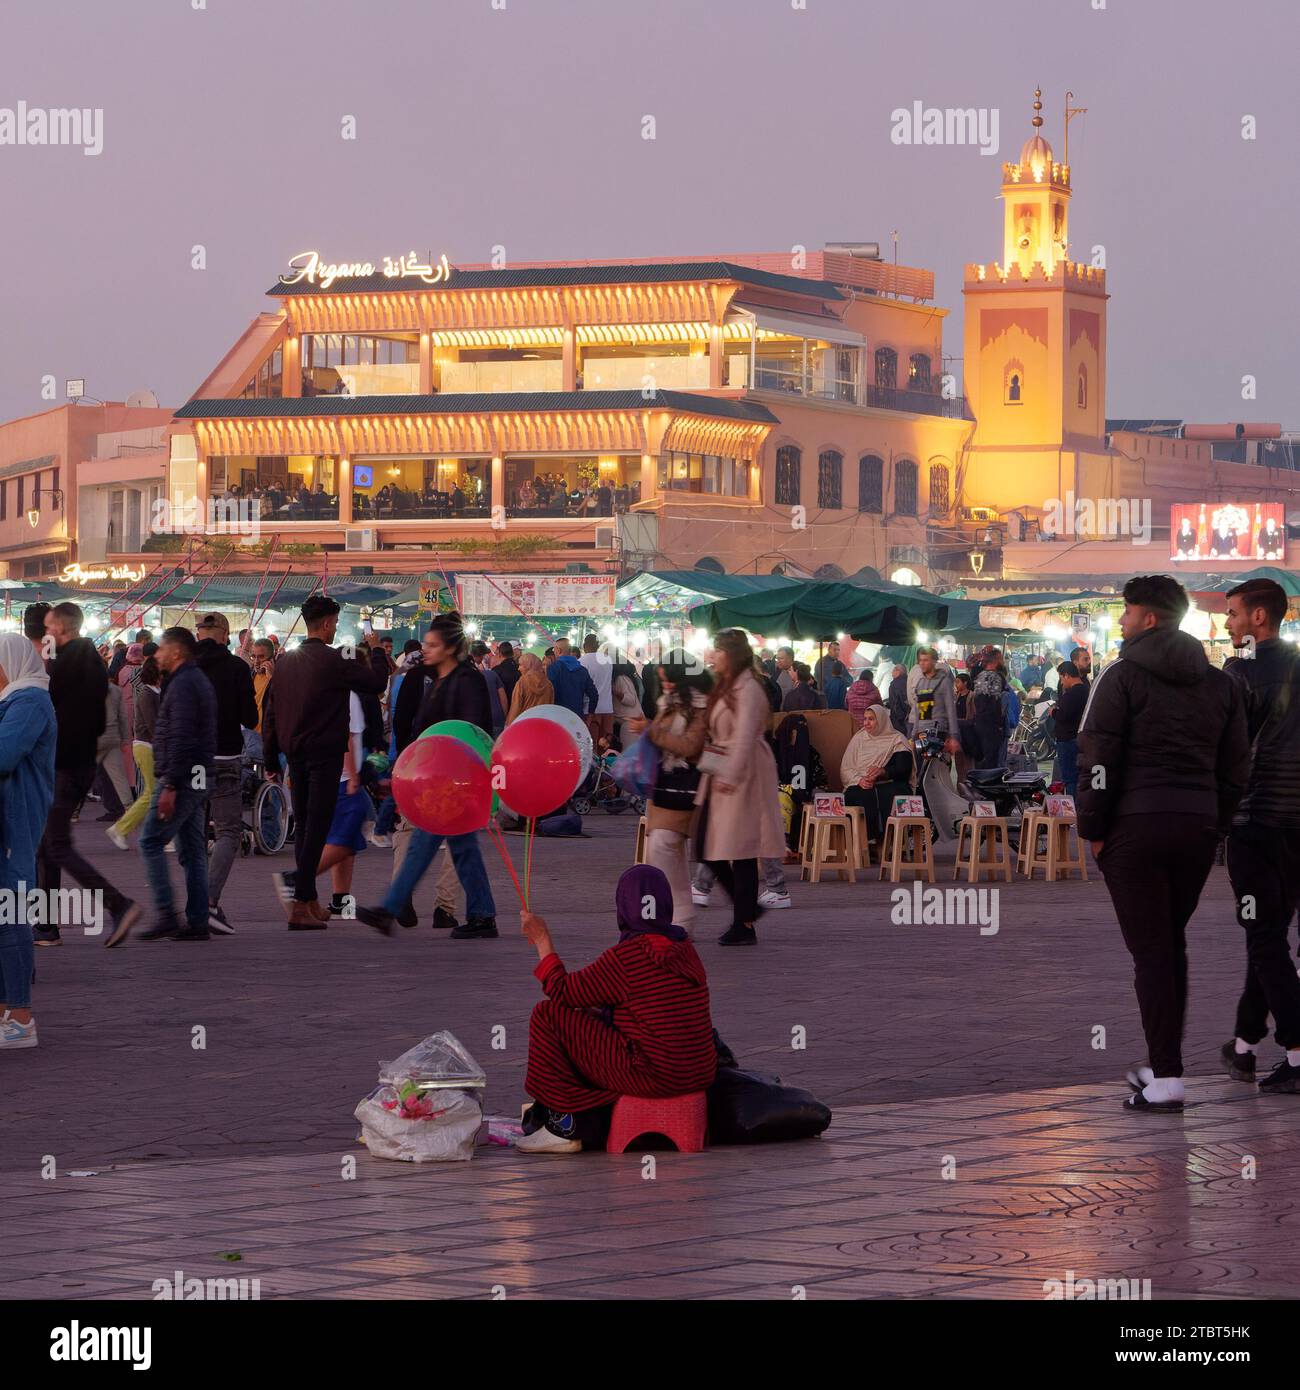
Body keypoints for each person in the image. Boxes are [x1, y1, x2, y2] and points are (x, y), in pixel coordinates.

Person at [1077, 574, 1248, 1112]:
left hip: (1135, 828)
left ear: (1149, 618)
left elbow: (1098, 762)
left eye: (1127, 612)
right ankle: (1162, 1064)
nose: (1121, 621)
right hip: (1194, 830)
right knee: (1169, 944)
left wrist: (1094, 831)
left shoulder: (1120, 677)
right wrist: (1213, 824)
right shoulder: (1221, 684)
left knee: (1153, 951)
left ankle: (1168, 1078)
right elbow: (1235, 769)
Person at [516, 865, 716, 1153]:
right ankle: (579, 1114)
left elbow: (562, 991)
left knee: (548, 1015)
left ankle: (562, 1126)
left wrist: (542, 940)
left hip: (654, 1073)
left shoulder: (628, 956)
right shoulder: (685, 949)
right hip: (698, 1071)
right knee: (587, 1018)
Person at [357, 613, 498, 940]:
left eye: (433, 645)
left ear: (449, 648)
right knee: (462, 848)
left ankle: (390, 908)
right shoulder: (438, 680)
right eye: (426, 644)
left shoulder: (468, 680)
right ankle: (482, 914)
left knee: (425, 843)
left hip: (456, 780)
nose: (427, 650)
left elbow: (474, 731)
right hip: (437, 777)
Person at [262, 595, 389, 928]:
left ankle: (309, 899)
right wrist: (375, 650)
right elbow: (376, 683)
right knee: (317, 828)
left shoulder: (287, 660)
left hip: (294, 753)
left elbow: (270, 710)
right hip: (324, 753)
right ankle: (301, 904)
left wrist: (270, 756)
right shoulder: (333, 659)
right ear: (329, 623)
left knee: (305, 825)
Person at [1221, 577, 1300, 1092]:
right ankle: (1246, 1044)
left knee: (1263, 934)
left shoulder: (1240, 669)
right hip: (1298, 828)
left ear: (1257, 618)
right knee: (1268, 934)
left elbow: (1226, 745)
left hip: (1254, 824)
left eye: (1231, 613)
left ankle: (1297, 1051)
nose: (1226, 623)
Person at [35, 603, 141, 948]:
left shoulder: (68, 663)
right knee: (47, 847)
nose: (46, 632)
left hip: (65, 765)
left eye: (50, 626)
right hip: (77, 763)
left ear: (63, 628)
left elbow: (56, 716)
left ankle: (117, 903)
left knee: (56, 844)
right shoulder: (91, 661)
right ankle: (46, 926)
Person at [121, 627, 218, 944]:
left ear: (176, 652)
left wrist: (171, 785)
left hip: (183, 777)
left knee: (150, 840)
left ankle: (165, 914)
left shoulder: (184, 685)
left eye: (161, 648)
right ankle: (198, 920)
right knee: (192, 851)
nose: (156, 654)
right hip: (196, 774)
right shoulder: (192, 681)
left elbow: (181, 736)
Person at [695, 629, 786, 946]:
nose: (712, 655)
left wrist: (729, 776)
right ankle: (747, 913)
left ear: (730, 655)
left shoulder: (747, 689)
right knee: (712, 847)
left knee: (740, 849)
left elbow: (745, 736)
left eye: (717, 651)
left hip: (744, 775)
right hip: (723, 770)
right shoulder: (726, 686)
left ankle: (744, 922)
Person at [624, 648, 711, 936]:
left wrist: (651, 731)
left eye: (669, 679)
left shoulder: (700, 706)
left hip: (682, 789)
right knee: (667, 854)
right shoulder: (668, 702)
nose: (666, 685)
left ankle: (678, 919)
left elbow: (690, 747)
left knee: (663, 848)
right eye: (663, 680)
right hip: (663, 790)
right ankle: (679, 921)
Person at [0, 633, 56, 1049]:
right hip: (9, 820)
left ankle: (20, 1016)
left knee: (10, 913)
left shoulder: (30, 702)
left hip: (15, 821)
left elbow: (4, 755)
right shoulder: (16, 701)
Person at [194, 613, 259, 935]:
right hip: (225, 756)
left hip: (191, 759)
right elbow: (250, 716)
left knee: (192, 832)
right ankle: (207, 902)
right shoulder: (236, 668)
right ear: (224, 634)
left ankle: (197, 901)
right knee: (228, 832)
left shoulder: (185, 666)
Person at [107, 654, 161, 851]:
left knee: (154, 792)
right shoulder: (148, 693)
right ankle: (122, 828)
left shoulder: (155, 691)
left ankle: (125, 829)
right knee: (152, 792)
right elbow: (153, 724)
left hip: (149, 745)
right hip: (146, 746)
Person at [841, 704, 915, 840]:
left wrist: (883, 772)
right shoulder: (859, 738)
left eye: (871, 719)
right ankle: (862, 842)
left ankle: (888, 842)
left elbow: (903, 769)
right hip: (862, 783)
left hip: (890, 783)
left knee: (889, 795)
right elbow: (846, 769)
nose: (866, 723)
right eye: (865, 719)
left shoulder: (897, 739)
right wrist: (860, 780)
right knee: (854, 795)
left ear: (881, 720)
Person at [908, 647, 960, 756]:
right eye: (920, 660)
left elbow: (951, 710)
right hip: (921, 732)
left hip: (938, 731)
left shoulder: (944, 682)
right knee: (921, 770)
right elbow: (918, 711)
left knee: (937, 768)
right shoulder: (920, 683)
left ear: (934, 661)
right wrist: (913, 736)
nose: (922, 663)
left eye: (926, 660)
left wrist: (954, 736)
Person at [1050, 661, 1087, 796]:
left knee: (1070, 778)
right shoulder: (1086, 689)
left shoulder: (1072, 694)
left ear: (1066, 675)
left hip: (1068, 740)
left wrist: (1053, 712)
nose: (1061, 682)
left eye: (1061, 678)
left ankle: (1073, 811)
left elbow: (1063, 716)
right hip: (1078, 738)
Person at [547, 637, 598, 722]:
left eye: (554, 650)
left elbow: (549, 694)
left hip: (557, 717)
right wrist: (590, 715)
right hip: (577, 718)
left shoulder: (553, 669)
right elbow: (594, 695)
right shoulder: (582, 670)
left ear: (558, 650)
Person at [579, 633, 615, 747]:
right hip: (607, 708)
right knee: (605, 746)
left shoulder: (581, 661)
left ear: (584, 645)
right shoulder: (608, 660)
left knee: (591, 746)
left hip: (590, 710)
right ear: (598, 645)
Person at [470, 640, 508, 736]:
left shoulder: (464, 676)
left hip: (476, 722)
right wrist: (505, 717)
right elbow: (503, 700)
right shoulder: (492, 675)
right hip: (496, 719)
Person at [506, 652, 554, 724]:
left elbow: (515, 707)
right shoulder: (549, 684)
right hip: (542, 723)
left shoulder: (521, 683)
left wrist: (509, 725)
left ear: (528, 666)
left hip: (524, 724)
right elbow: (550, 707)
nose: (518, 668)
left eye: (520, 665)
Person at [887, 663, 910, 735]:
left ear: (898, 671)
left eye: (893, 670)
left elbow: (895, 704)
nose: (891, 672)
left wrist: (900, 719)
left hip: (899, 721)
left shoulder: (894, 684)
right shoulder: (909, 681)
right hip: (910, 718)